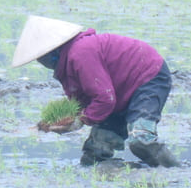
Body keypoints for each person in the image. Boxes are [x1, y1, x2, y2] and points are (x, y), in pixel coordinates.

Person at [11, 15, 180, 168]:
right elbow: (84, 99)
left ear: (54, 50)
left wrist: (81, 120)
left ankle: (173, 172)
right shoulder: (66, 65)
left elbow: (105, 98)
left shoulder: (81, 53)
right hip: (118, 89)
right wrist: (63, 119)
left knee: (141, 140)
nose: (42, 61)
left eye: (42, 57)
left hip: (147, 76)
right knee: (95, 154)